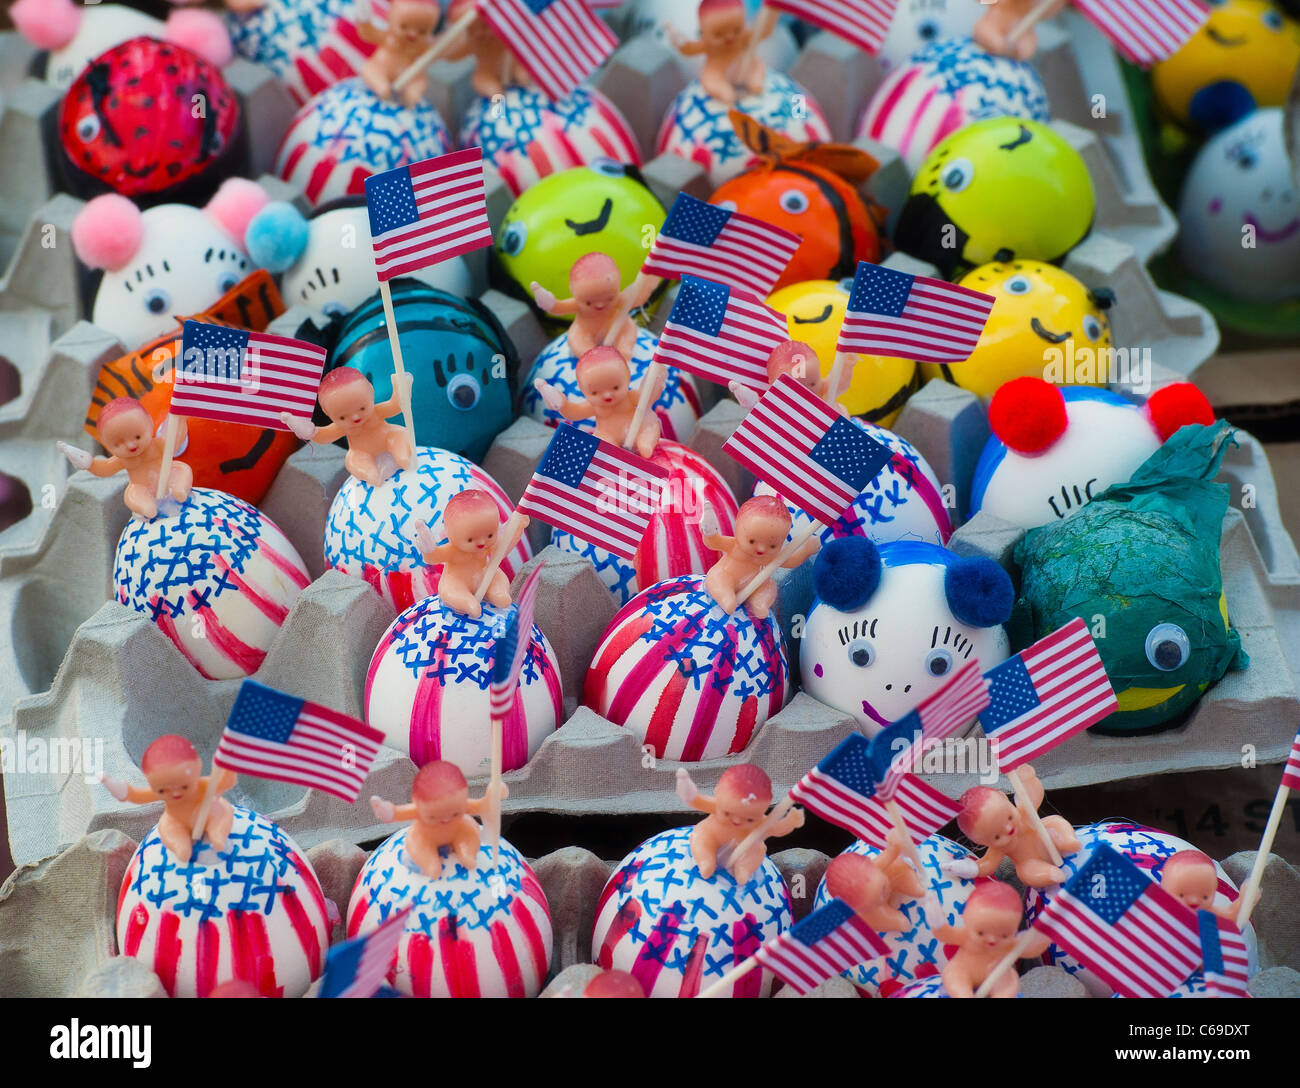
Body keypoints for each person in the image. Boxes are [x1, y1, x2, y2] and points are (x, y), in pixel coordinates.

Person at [100, 735, 236, 864]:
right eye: (162, 790)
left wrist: (228, 766)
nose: (175, 793)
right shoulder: (162, 790)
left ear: (197, 767)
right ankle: (180, 845)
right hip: (176, 820)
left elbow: (225, 783)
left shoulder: (203, 785)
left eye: (184, 786)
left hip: (208, 812)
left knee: (221, 815)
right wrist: (115, 786)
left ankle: (217, 833)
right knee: (168, 828)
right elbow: (135, 796)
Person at [370, 760, 506, 880]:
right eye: (433, 816)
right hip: (425, 836)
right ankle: (430, 864)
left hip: (459, 830)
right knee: (418, 845)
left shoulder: (461, 804)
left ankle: (467, 852)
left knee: (469, 833)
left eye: (455, 813)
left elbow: (483, 806)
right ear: (417, 802)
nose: (446, 819)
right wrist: (387, 812)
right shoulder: (417, 810)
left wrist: (493, 794)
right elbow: (397, 814)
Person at [58, 397, 191, 520]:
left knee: (182, 469)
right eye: (118, 444)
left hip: (168, 476)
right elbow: (105, 469)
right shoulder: (123, 459)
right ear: (106, 443)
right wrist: (90, 464)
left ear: (150, 422)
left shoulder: (156, 446)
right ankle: (146, 506)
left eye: (138, 437)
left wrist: (180, 420)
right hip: (142, 486)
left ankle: (179, 489)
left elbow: (173, 441)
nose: (131, 445)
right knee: (132, 495)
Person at [283, 366, 414, 487]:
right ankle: (370, 473)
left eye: (362, 408)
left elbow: (396, 406)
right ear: (327, 413)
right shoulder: (341, 428)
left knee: (399, 434)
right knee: (353, 460)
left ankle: (402, 456)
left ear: (371, 391)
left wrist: (401, 388)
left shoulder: (376, 412)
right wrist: (309, 431)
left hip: (388, 438)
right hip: (362, 452)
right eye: (342, 417)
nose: (355, 417)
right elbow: (324, 437)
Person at [676, 764, 803, 883]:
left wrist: (790, 822)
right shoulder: (716, 806)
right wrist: (685, 785)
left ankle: (744, 869)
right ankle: (705, 860)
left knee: (755, 851)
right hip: (711, 835)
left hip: (743, 845)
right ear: (717, 792)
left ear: (764, 809)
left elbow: (776, 829)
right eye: (727, 813)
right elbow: (695, 800)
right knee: (701, 839)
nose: (736, 821)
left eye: (749, 819)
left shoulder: (760, 822)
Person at [701, 495, 820, 619]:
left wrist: (806, 550)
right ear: (737, 528)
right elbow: (714, 543)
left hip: (755, 583)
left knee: (768, 587)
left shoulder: (770, 557)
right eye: (752, 541)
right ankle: (725, 597)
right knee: (718, 579)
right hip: (726, 575)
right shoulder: (734, 545)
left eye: (773, 546)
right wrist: (709, 533)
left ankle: (759, 603)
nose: (762, 549)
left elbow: (790, 561)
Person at [414, 489, 528, 618]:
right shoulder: (452, 550)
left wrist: (516, 527)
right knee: (451, 590)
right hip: (458, 581)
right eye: (470, 539)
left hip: (484, 575)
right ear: (450, 533)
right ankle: (467, 602)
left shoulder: (486, 546)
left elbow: (503, 547)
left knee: (497, 577)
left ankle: (498, 593)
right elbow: (433, 557)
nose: (481, 542)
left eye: (490, 535)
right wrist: (428, 548)